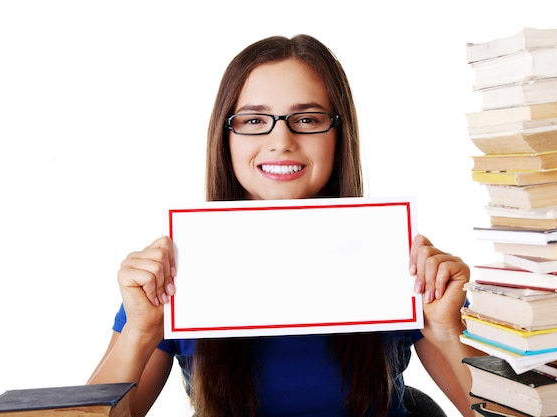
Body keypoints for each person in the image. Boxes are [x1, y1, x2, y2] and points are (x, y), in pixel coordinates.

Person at [88, 34, 483, 417]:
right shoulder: (176, 269)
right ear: (226, 137)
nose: (281, 140)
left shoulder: (399, 260)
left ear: (338, 135)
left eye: (307, 119)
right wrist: (140, 333)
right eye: (255, 119)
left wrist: (450, 332)